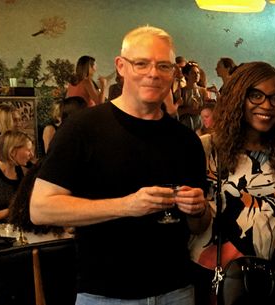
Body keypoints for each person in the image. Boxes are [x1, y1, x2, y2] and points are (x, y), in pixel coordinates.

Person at [30, 26, 208, 304]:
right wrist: (127, 205)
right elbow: (40, 209)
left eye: (163, 65)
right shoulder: (82, 128)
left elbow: (198, 227)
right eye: (141, 63)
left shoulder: (186, 140)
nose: (153, 73)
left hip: (177, 291)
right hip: (105, 294)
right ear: (121, 66)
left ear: (173, 73)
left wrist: (199, 209)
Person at [189, 61, 275, 304]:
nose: (267, 105)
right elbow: (194, 224)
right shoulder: (208, 149)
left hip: (266, 279)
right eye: (255, 95)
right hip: (212, 274)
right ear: (237, 98)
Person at [174, 62, 207, 132]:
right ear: (186, 75)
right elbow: (175, 112)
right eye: (193, 73)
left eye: (198, 73)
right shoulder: (181, 91)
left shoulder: (203, 91)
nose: (196, 75)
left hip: (199, 127)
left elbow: (206, 109)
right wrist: (187, 110)